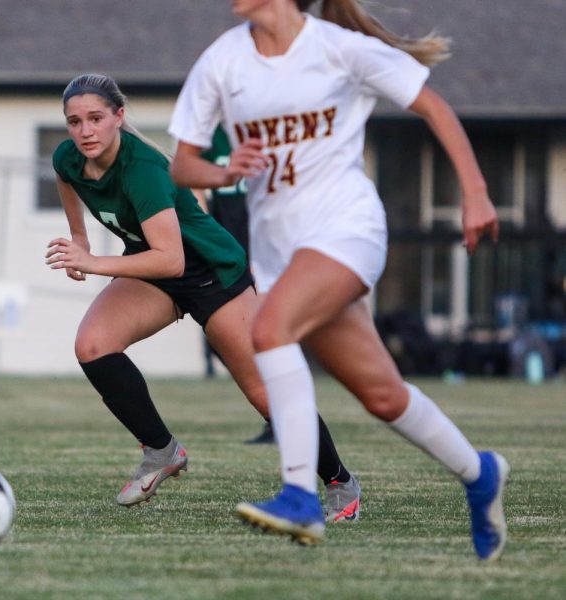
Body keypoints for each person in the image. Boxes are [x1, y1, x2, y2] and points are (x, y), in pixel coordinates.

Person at [168, 0, 507, 559]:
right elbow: (183, 165)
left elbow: (436, 109)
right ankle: (480, 473)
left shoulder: (338, 48)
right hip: (282, 256)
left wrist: (474, 193)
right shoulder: (222, 61)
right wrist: (224, 171)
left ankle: (300, 495)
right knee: (382, 395)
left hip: (348, 230)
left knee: (269, 330)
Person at [46, 73, 360, 521]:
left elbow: (172, 261)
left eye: (96, 118)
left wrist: (94, 262)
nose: (85, 131)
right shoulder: (69, 157)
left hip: (211, 270)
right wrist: (80, 240)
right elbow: (65, 179)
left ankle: (340, 483)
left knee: (264, 394)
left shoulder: (143, 168)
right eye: (74, 122)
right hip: (152, 263)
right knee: (93, 345)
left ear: (119, 116)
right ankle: (161, 451)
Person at [200, 126, 274, 445]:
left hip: (265, 248)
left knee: (269, 336)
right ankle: (278, 415)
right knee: (231, 340)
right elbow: (193, 186)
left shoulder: (263, 126)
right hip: (226, 252)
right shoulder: (208, 135)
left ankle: (284, 420)